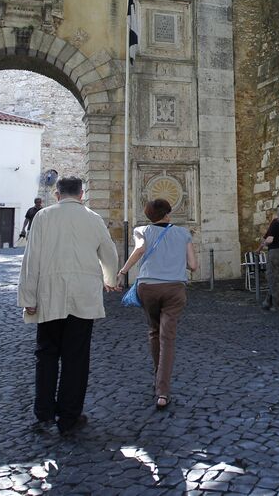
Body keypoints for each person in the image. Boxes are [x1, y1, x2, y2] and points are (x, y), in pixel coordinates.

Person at [18, 177, 119, 436]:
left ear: (57, 193)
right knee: (76, 357)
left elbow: (31, 260)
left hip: (49, 294)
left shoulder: (43, 217)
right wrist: (109, 278)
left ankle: (44, 412)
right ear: (82, 194)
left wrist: (28, 298)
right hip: (83, 296)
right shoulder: (93, 218)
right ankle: (69, 416)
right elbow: (109, 253)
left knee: (46, 354)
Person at [117, 198, 197, 410]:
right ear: (168, 213)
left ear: (148, 215)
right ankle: (162, 391)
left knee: (154, 331)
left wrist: (123, 271)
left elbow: (140, 249)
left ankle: (157, 374)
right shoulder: (183, 233)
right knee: (168, 337)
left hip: (148, 287)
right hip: (174, 288)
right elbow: (194, 265)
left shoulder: (141, 230)